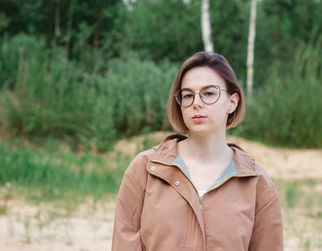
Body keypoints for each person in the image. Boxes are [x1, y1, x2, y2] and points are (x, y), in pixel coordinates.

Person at [112, 52, 283, 251]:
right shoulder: (145, 169)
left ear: (232, 102)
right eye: (187, 95)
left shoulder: (257, 183)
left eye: (209, 93)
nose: (196, 103)